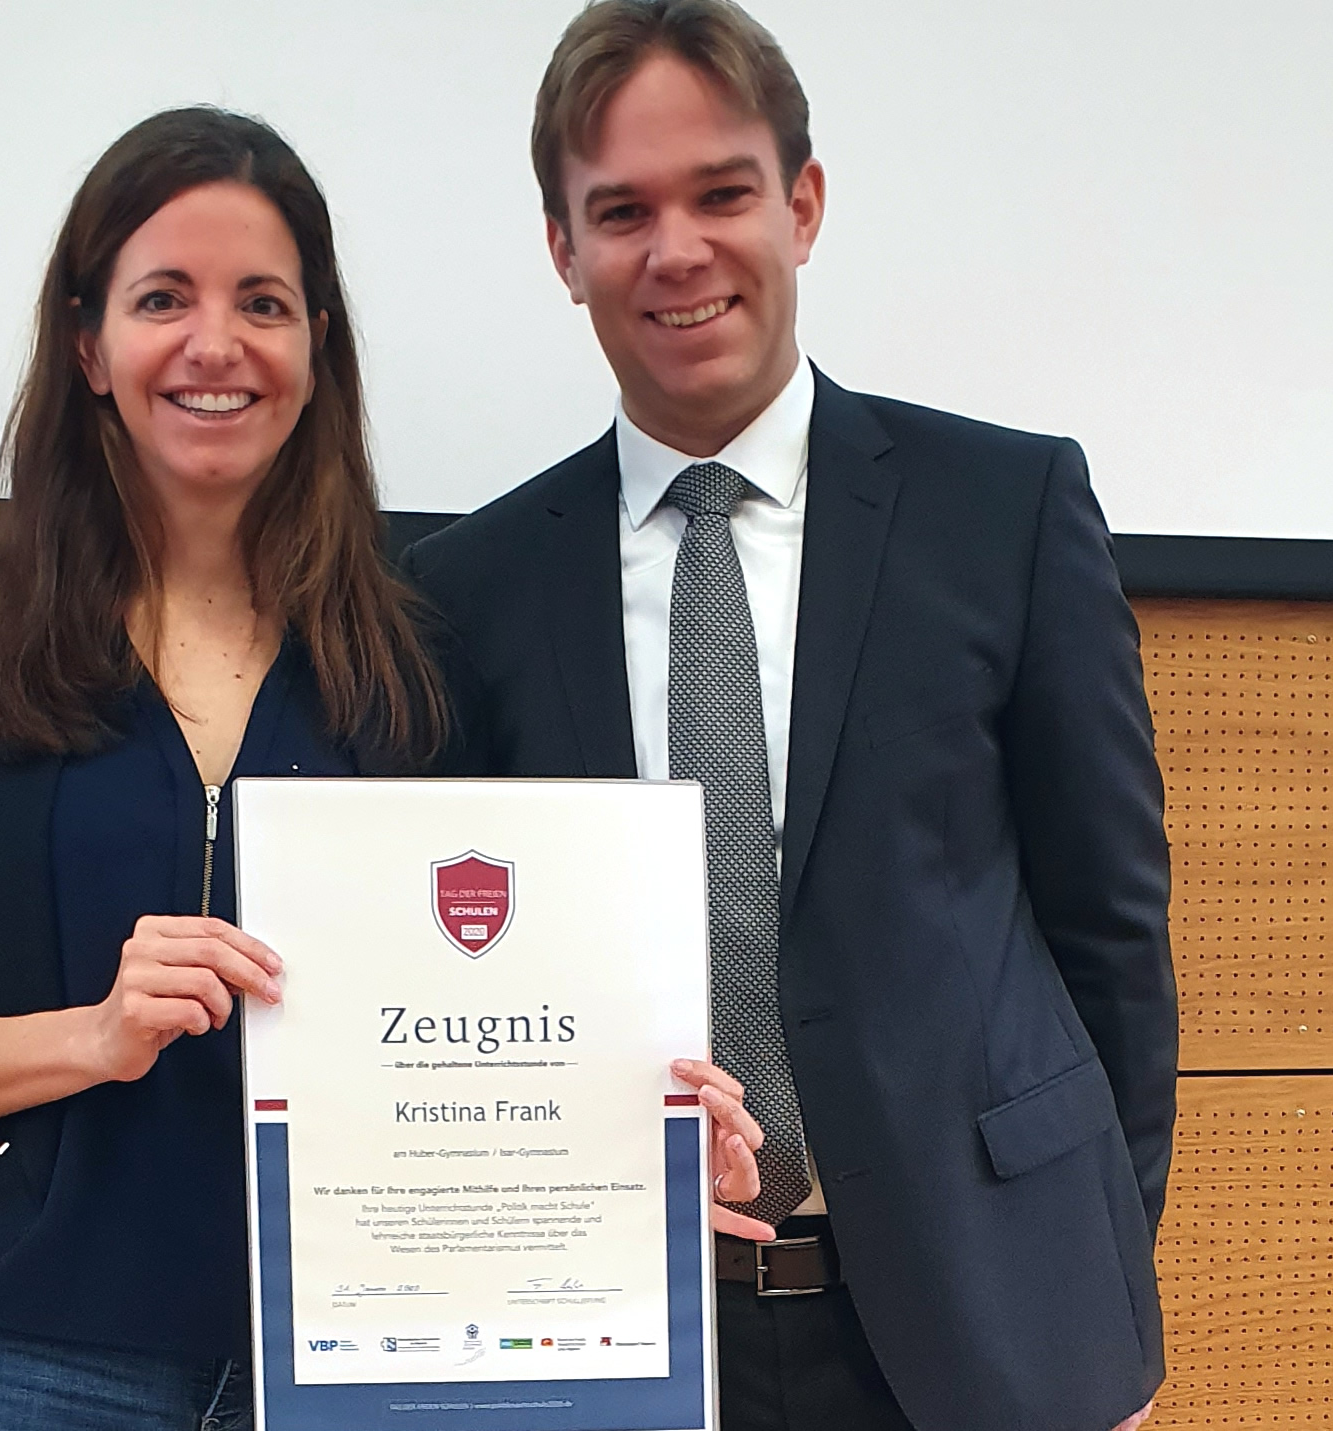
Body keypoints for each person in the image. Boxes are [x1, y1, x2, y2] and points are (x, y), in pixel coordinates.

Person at [403, 4, 1177, 1430]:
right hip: (627, 1338)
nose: (677, 250)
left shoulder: (1005, 511)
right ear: (563, 251)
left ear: (802, 205)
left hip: (992, 1330)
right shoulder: (468, 591)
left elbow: (1111, 935)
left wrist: (1095, 1291)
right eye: (621, 210)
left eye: (722, 193)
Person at [0, 106, 457, 1427]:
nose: (216, 344)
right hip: (44, 1357)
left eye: (263, 302)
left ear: (318, 347)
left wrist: (640, 1099)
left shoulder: (418, 657)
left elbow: (501, 994)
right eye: (165, 298)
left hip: (358, 1360)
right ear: (89, 343)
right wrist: (93, 1039)